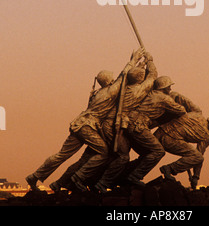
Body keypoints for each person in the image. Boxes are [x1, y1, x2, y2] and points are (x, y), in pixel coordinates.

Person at [25, 48, 144, 190]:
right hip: (87, 126)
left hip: (79, 124)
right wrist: (133, 60)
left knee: (61, 155)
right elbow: (123, 77)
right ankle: (78, 178)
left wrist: (138, 67)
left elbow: (123, 79)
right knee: (103, 152)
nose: (113, 80)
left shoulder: (98, 93)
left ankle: (34, 176)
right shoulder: (109, 92)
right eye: (111, 79)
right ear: (108, 81)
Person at [95, 76, 189, 191]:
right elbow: (181, 110)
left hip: (130, 124)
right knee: (158, 151)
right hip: (138, 126)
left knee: (146, 153)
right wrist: (178, 98)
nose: (170, 89)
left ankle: (119, 177)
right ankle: (134, 176)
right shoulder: (164, 99)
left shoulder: (151, 94)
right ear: (163, 87)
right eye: (169, 86)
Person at [154, 111, 209, 189]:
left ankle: (137, 174)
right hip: (169, 140)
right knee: (198, 157)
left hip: (159, 132)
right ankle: (169, 168)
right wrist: (196, 177)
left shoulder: (196, 114)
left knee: (149, 155)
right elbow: (198, 157)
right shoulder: (206, 136)